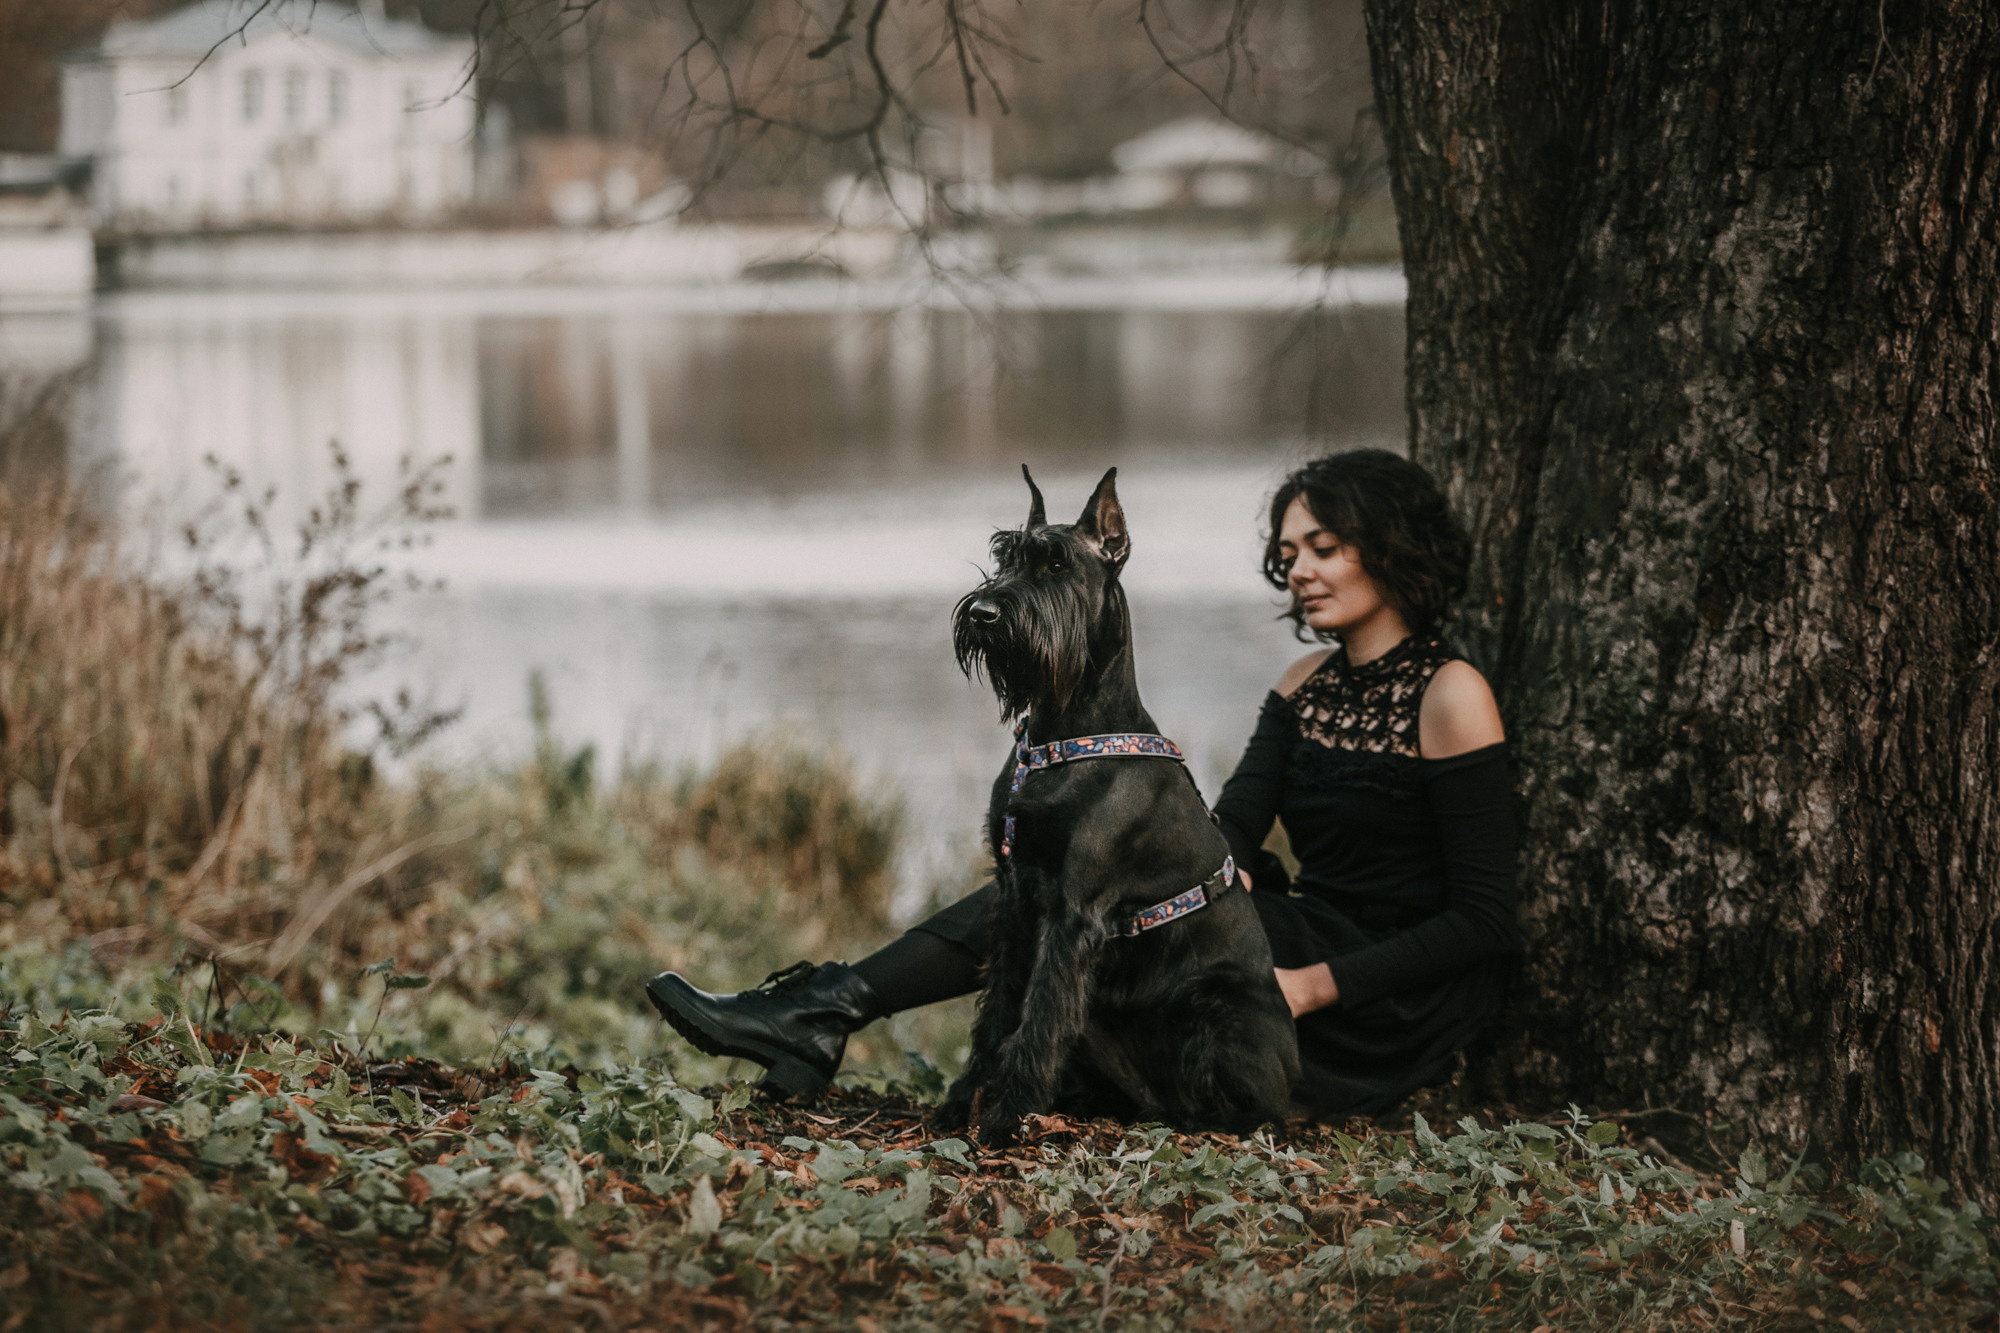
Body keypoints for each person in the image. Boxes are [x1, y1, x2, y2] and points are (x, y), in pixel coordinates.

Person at [646, 449, 1522, 1116]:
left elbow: (1482, 919)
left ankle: (822, 1010)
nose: (1298, 569)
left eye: (1323, 547)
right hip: (1275, 929)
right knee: (1057, 884)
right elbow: (1235, 832)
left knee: (1067, 903)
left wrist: (1310, 984)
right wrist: (1204, 875)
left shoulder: (1453, 694)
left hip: (1375, 995)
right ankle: (824, 1009)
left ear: (1390, 550)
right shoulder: (1302, 684)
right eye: (1288, 551)